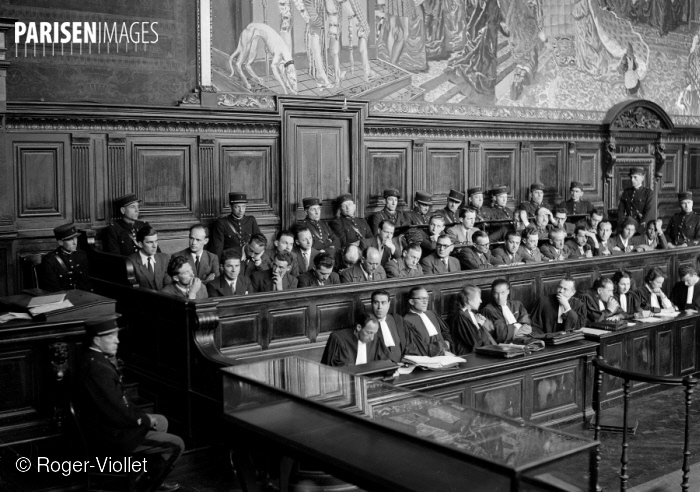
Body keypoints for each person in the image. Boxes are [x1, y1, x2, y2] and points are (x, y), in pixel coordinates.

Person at [76, 315, 183, 492]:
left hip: (109, 425)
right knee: (177, 445)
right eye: (111, 336)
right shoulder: (97, 369)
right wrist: (145, 420)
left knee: (162, 421)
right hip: (109, 435)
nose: (117, 340)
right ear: (96, 340)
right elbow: (116, 412)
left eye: (116, 335)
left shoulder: (95, 358)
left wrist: (144, 417)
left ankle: (148, 476)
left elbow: (118, 404)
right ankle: (146, 486)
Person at [40, 223, 93, 292]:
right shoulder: (50, 260)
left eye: (75, 238)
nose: (75, 243)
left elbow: (85, 282)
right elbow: (54, 289)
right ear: (60, 242)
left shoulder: (81, 255)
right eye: (70, 240)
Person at [320, 312, 386, 367]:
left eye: (374, 333)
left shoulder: (375, 339)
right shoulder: (338, 339)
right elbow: (335, 368)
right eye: (369, 333)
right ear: (359, 327)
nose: (372, 338)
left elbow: (385, 361)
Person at [403, 287, 454, 357]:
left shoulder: (431, 314)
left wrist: (447, 342)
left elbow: (445, 331)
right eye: (421, 299)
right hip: (429, 357)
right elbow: (416, 347)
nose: (425, 302)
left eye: (426, 298)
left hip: (447, 353)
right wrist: (441, 352)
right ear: (411, 301)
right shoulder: (406, 321)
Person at [208, 192, 261, 258]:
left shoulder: (251, 220)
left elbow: (260, 242)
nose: (241, 210)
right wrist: (216, 263)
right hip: (230, 259)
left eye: (243, 206)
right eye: (237, 207)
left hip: (248, 258)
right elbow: (218, 248)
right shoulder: (222, 223)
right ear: (231, 207)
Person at [450, 285, 497, 355]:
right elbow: (476, 341)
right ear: (470, 301)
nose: (481, 301)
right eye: (478, 298)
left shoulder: (470, 314)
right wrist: (479, 324)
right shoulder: (461, 317)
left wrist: (483, 324)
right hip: (468, 355)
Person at [370, 290, 409, 363]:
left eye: (383, 303)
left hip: (403, 363)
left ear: (389, 304)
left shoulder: (397, 319)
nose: (380, 307)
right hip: (380, 366)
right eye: (376, 303)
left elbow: (408, 343)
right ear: (371, 304)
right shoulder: (367, 325)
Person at [129, 227, 171, 291]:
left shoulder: (164, 258)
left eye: (156, 241)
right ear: (140, 244)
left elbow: (168, 284)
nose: (155, 246)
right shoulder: (131, 261)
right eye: (150, 242)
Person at [618, 167, 654, 233]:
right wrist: (622, 225)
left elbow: (648, 213)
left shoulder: (648, 193)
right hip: (627, 227)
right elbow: (620, 211)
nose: (632, 180)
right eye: (631, 177)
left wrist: (639, 230)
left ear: (642, 178)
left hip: (640, 229)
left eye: (635, 177)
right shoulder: (626, 192)